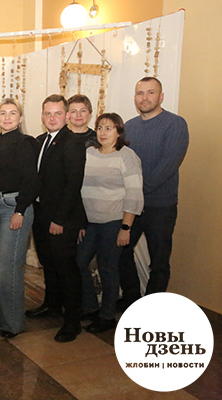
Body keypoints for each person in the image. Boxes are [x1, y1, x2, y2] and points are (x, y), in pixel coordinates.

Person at [117, 77, 189, 309]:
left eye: (150, 92)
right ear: (135, 97)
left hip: (161, 206)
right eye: (140, 93)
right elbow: (122, 164)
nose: (144, 98)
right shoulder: (129, 126)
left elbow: (167, 166)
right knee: (121, 253)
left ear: (161, 97)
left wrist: (135, 192)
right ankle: (131, 299)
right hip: (131, 207)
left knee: (158, 261)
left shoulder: (175, 124)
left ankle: (151, 309)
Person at [78, 113, 143, 333]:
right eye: (100, 128)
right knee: (79, 262)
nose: (103, 133)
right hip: (90, 223)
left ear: (118, 132)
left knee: (108, 268)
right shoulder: (89, 153)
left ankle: (107, 316)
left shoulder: (127, 156)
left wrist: (126, 227)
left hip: (113, 223)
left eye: (109, 128)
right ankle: (90, 306)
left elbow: (134, 195)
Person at [30, 94, 86, 343]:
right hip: (41, 214)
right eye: (48, 114)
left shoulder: (72, 142)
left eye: (57, 113)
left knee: (66, 269)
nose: (52, 118)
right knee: (48, 264)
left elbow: (73, 185)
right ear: (42, 116)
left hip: (62, 218)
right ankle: (52, 305)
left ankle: (73, 322)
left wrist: (60, 220)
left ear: (66, 116)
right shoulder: (41, 141)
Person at [0, 98, 40, 338]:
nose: (7, 117)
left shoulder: (26, 143)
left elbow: (32, 179)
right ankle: (5, 316)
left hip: (14, 207)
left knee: (9, 269)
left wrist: (20, 210)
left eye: (12, 113)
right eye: (3, 113)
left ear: (20, 118)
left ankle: (14, 324)